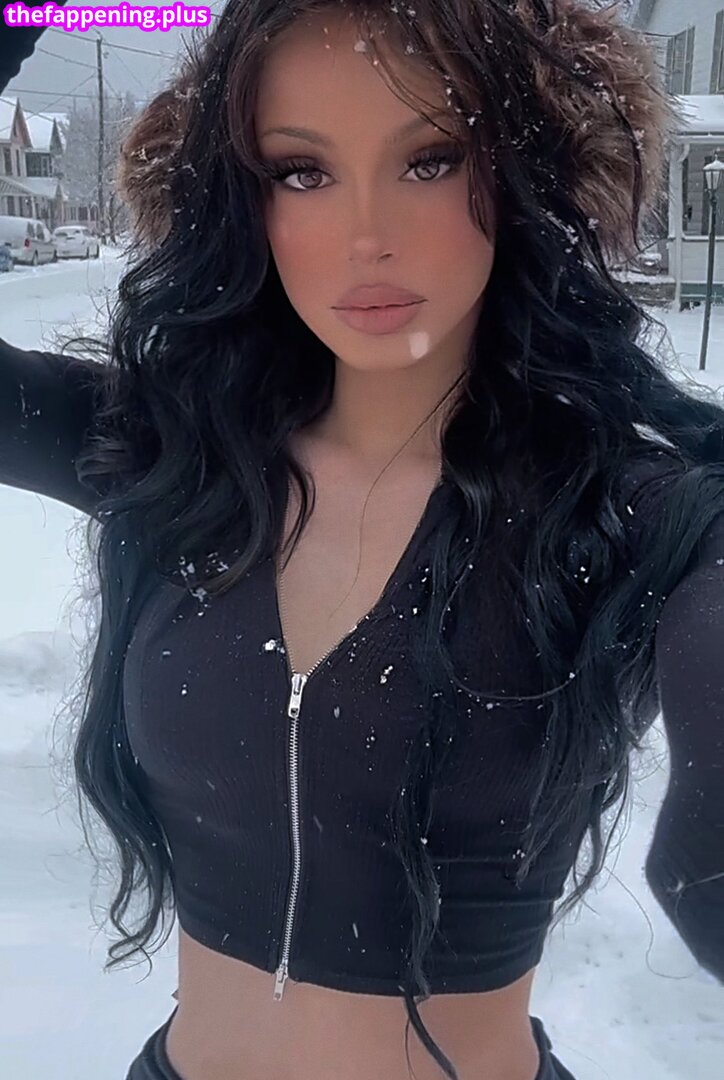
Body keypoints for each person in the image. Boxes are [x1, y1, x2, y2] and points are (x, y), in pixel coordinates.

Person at [1, 2, 723, 1079]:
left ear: (526, 174)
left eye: (430, 159)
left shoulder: (630, 514)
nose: (365, 236)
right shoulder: (174, 461)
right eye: (301, 172)